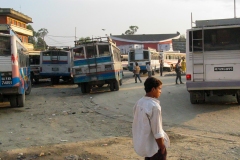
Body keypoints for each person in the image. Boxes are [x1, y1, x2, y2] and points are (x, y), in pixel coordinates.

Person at [132, 77, 170, 160]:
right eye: (159, 89)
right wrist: (162, 147)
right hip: (155, 148)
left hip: (146, 147)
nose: (160, 91)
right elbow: (157, 131)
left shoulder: (139, 103)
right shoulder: (154, 107)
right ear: (153, 89)